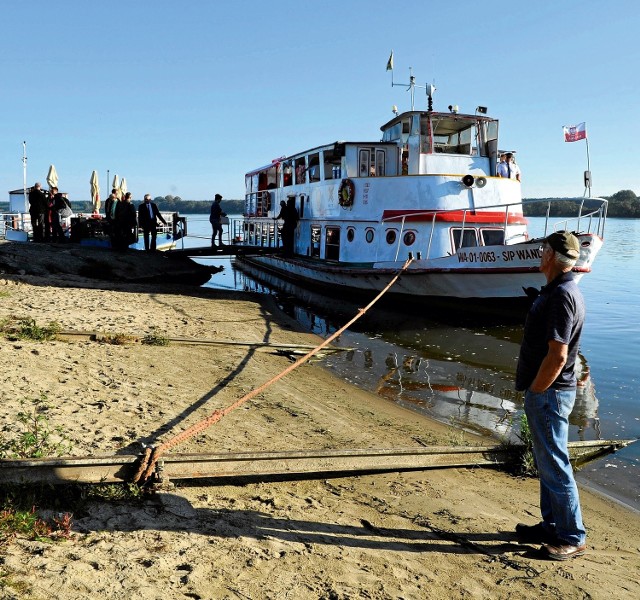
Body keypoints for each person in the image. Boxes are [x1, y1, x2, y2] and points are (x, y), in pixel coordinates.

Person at [514, 231, 587, 561]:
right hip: (549, 392)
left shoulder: (562, 296)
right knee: (546, 461)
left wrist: (537, 389)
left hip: (550, 393)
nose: (539, 251)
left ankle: (572, 535)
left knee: (555, 463)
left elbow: (558, 355)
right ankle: (553, 524)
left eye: (543, 248)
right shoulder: (559, 289)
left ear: (552, 257)